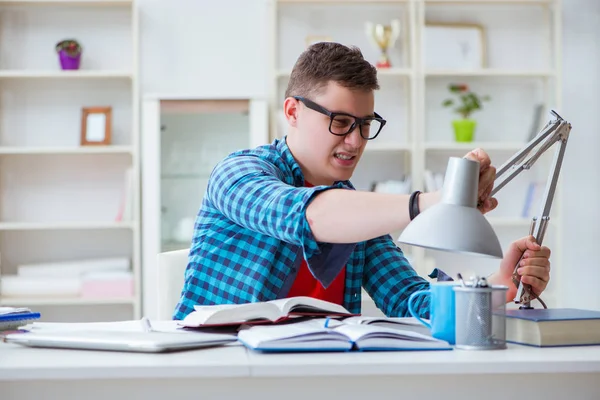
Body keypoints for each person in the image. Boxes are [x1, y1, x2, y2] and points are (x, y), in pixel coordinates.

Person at [173, 42, 551, 320]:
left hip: (318, 374)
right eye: (340, 122)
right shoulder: (237, 175)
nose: (354, 141)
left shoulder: (355, 213)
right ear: (293, 111)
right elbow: (306, 217)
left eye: (365, 124)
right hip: (222, 371)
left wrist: (500, 283)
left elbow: (410, 300)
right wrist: (436, 201)